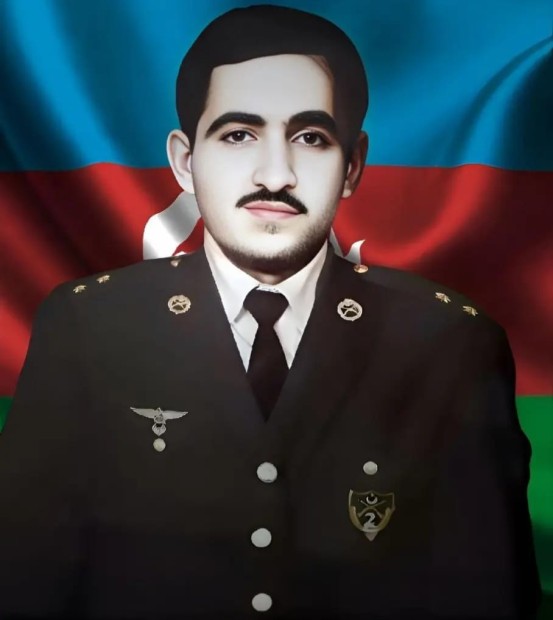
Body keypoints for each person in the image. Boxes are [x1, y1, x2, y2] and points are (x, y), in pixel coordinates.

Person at [0, 5, 541, 619]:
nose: (276, 175)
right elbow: (22, 584)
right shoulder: (88, 329)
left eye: (311, 138)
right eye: (238, 134)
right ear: (184, 161)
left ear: (352, 166)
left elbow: (489, 598)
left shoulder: (449, 344)